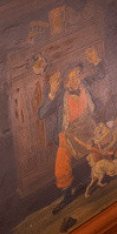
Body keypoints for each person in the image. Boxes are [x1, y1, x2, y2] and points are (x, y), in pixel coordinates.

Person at [38, 65, 97, 214]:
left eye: (76, 76)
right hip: (68, 132)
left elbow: (96, 101)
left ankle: (97, 177)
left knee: (98, 146)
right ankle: (67, 195)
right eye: (71, 79)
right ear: (65, 83)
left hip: (86, 128)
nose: (75, 80)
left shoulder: (85, 88)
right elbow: (41, 114)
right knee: (61, 164)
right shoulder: (60, 97)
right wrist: (52, 92)